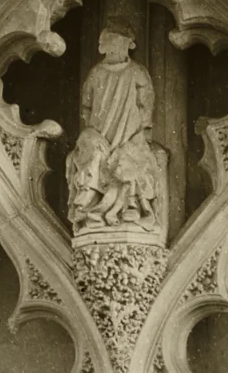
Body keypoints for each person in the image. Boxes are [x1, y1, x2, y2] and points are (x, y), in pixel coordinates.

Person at [66, 23, 162, 232]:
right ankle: (87, 206)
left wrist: (139, 134)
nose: (113, 48)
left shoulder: (137, 73)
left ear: (127, 45)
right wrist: (92, 132)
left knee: (130, 162)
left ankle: (131, 205)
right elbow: (87, 107)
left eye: (119, 43)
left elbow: (146, 106)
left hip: (130, 136)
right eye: (109, 43)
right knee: (93, 157)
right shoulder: (96, 74)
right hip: (100, 134)